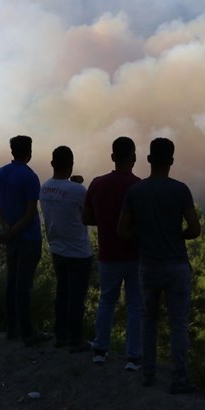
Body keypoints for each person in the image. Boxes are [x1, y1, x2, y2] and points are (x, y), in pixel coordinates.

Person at [117, 137, 201, 394]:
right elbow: (195, 229)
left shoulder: (136, 191)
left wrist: (143, 238)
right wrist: (179, 236)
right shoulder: (180, 190)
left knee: (148, 320)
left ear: (149, 160)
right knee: (177, 323)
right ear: (172, 161)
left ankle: (148, 374)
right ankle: (179, 379)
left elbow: (122, 230)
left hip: (148, 266)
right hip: (176, 265)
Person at [83, 136, 143, 369]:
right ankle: (133, 357)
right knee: (135, 304)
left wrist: (106, 222)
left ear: (112, 157)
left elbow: (86, 218)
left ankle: (100, 350)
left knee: (106, 301)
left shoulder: (97, 184)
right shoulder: (138, 186)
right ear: (134, 157)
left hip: (108, 254)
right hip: (135, 254)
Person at [0, 135, 51, 346]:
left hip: (12, 239)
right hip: (28, 239)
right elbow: (30, 214)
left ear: (12, 151)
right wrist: (13, 231)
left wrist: (6, 227)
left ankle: (12, 328)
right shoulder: (30, 177)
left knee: (12, 283)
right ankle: (28, 333)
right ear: (29, 152)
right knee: (23, 286)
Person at [39, 145, 93, 352]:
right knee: (76, 298)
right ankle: (76, 339)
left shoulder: (44, 188)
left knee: (62, 293)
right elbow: (89, 215)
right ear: (71, 165)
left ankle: (60, 335)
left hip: (57, 249)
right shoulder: (78, 190)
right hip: (78, 252)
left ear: (52, 164)